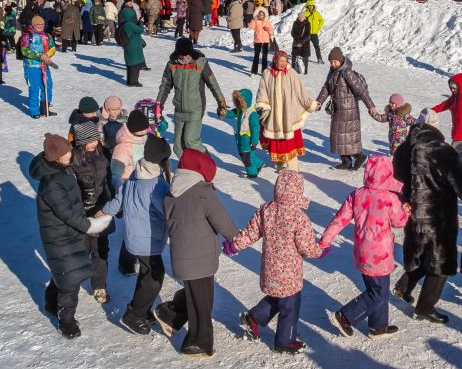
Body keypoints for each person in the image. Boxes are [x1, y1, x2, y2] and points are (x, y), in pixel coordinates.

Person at [393, 116, 462, 323]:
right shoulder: (443, 150)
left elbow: (398, 177)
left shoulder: (405, 148)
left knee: (422, 253)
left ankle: (403, 287)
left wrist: (406, 198)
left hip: (415, 212)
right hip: (438, 216)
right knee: (440, 262)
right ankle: (425, 308)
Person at [153, 149, 239, 358]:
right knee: (202, 301)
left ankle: (169, 313)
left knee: (197, 293)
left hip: (183, 256)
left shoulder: (173, 191)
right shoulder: (202, 194)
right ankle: (197, 343)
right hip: (201, 257)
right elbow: (223, 221)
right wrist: (235, 238)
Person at [228, 171, 323, 353]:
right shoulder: (299, 217)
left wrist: (236, 244)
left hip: (270, 268)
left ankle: (254, 317)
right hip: (289, 273)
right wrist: (320, 251)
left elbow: (251, 233)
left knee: (277, 296)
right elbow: (306, 247)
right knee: (290, 305)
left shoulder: (266, 210)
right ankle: (284, 341)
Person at [29, 133, 112, 338]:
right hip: (60, 236)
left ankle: (51, 303)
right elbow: (66, 212)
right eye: (67, 152)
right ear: (57, 157)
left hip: (68, 232)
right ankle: (66, 320)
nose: (71, 154)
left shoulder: (62, 170)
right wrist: (90, 226)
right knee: (70, 280)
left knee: (64, 272)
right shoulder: (52, 183)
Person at [321, 154, 410, 340]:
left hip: (362, 251)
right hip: (380, 253)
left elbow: (339, 220)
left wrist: (325, 240)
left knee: (379, 288)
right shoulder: (389, 198)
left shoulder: (356, 195)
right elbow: (399, 222)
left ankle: (378, 327)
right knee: (378, 293)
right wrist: (406, 211)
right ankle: (345, 316)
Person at [98, 134, 172, 335]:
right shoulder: (158, 186)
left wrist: (105, 210)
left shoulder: (134, 175)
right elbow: (168, 212)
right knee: (154, 277)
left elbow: (118, 201)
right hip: (149, 240)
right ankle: (134, 314)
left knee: (147, 274)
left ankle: (143, 310)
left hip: (135, 237)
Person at [156, 37, 228, 158]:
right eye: (181, 54)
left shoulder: (200, 63)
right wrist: (158, 105)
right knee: (178, 147)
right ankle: (188, 167)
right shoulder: (172, 65)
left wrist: (221, 102)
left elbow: (213, 84)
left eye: (187, 54)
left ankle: (207, 162)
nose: (184, 57)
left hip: (196, 108)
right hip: (179, 110)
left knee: (191, 141)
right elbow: (165, 86)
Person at [69, 122, 113, 303]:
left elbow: (108, 180)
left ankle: (99, 286)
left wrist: (112, 202)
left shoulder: (103, 154)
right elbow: (69, 190)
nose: (94, 143)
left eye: (96, 139)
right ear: (81, 142)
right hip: (82, 214)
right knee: (81, 251)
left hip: (101, 210)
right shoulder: (72, 161)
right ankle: (70, 286)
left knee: (100, 250)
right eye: (90, 140)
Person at [255, 50, 317, 171]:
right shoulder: (267, 73)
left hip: (289, 114)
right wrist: (262, 104)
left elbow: (300, 90)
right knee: (277, 141)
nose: (283, 63)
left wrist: (309, 104)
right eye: (280, 61)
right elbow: (262, 90)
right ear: (275, 61)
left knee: (289, 142)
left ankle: (293, 169)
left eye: (285, 61)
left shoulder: (291, 73)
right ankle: (279, 162)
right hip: (274, 114)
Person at [316, 47, 377, 170]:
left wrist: (370, 105)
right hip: (337, 110)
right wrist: (319, 101)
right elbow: (326, 88)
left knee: (348, 138)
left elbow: (360, 90)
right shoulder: (331, 72)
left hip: (350, 111)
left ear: (341, 60)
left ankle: (360, 156)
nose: (333, 64)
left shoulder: (347, 72)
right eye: (331, 62)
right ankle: (346, 162)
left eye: (335, 61)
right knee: (337, 137)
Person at [20, 16, 57, 119]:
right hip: (31, 66)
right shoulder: (27, 36)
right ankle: (35, 111)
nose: (40, 26)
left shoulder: (47, 35)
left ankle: (45, 109)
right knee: (34, 88)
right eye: (38, 24)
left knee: (47, 86)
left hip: (44, 65)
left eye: (42, 24)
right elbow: (24, 50)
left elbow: (53, 47)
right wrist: (39, 56)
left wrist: (47, 55)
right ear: (33, 25)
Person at [229, 89, 265, 177]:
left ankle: (252, 173)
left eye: (240, 101)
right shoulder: (240, 110)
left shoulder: (252, 114)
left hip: (248, 139)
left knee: (246, 157)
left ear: (245, 101)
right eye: (237, 101)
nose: (238, 103)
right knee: (246, 154)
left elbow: (255, 129)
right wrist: (223, 112)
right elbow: (231, 113)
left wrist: (254, 142)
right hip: (240, 137)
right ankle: (259, 163)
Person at [110, 109, 150, 181]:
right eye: (141, 129)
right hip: (130, 182)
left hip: (143, 181)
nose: (145, 131)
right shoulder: (123, 148)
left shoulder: (144, 139)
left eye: (146, 128)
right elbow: (115, 175)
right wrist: (122, 186)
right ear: (133, 129)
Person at [119, 1, 145, 87]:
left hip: (128, 45)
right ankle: (134, 82)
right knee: (135, 64)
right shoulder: (129, 24)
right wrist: (141, 22)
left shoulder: (125, 23)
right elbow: (140, 30)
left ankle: (129, 81)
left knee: (130, 64)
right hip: (134, 45)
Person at [249, 8, 274, 76]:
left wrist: (268, 29)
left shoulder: (267, 22)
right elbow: (250, 27)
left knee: (265, 57)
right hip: (257, 41)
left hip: (265, 41)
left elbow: (271, 30)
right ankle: (254, 71)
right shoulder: (256, 22)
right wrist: (253, 20)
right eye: (259, 14)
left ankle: (264, 71)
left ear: (265, 15)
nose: (261, 16)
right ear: (257, 15)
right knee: (256, 56)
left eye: (262, 15)